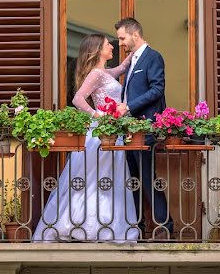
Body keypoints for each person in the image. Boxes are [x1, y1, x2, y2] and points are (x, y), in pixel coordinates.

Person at [32, 34, 140, 242]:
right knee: (93, 179)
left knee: (107, 178)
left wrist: (138, 46)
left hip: (111, 132)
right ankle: (82, 224)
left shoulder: (105, 73)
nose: (112, 46)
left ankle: (104, 224)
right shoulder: (96, 74)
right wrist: (96, 114)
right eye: (108, 44)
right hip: (100, 132)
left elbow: (123, 67)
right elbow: (77, 99)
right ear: (99, 50)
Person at [115, 17, 173, 238]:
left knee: (147, 177)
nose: (120, 43)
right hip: (130, 130)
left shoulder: (152, 57)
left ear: (135, 35)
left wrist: (128, 106)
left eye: (122, 38)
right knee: (135, 180)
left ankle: (165, 227)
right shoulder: (133, 61)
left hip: (145, 128)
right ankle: (137, 228)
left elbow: (157, 89)